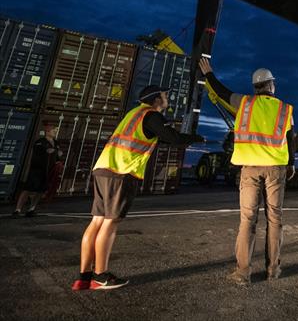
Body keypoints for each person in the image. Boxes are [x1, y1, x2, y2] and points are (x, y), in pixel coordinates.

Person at [71, 85, 203, 291]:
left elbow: (159, 139)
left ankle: (83, 277)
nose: (167, 97)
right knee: (110, 223)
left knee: (96, 221)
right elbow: (174, 138)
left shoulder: (134, 114)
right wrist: (197, 138)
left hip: (103, 168)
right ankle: (100, 276)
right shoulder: (152, 116)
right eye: (164, 95)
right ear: (156, 99)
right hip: (121, 172)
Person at [199, 58, 295, 284]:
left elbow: (222, 92)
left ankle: (243, 272)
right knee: (275, 219)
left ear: (255, 88)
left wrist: (209, 74)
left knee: (248, 219)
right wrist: (290, 164)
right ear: (272, 85)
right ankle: (273, 269)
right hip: (275, 170)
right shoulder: (285, 109)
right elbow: (290, 141)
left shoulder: (244, 103)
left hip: (250, 169)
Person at [13, 121, 62, 217]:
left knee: (41, 190)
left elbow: (57, 157)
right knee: (27, 189)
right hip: (36, 171)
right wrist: (46, 152)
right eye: (54, 130)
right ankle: (17, 210)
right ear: (47, 131)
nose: (55, 132)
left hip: (48, 171)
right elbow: (36, 155)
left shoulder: (56, 143)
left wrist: (58, 157)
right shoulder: (40, 142)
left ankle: (31, 209)